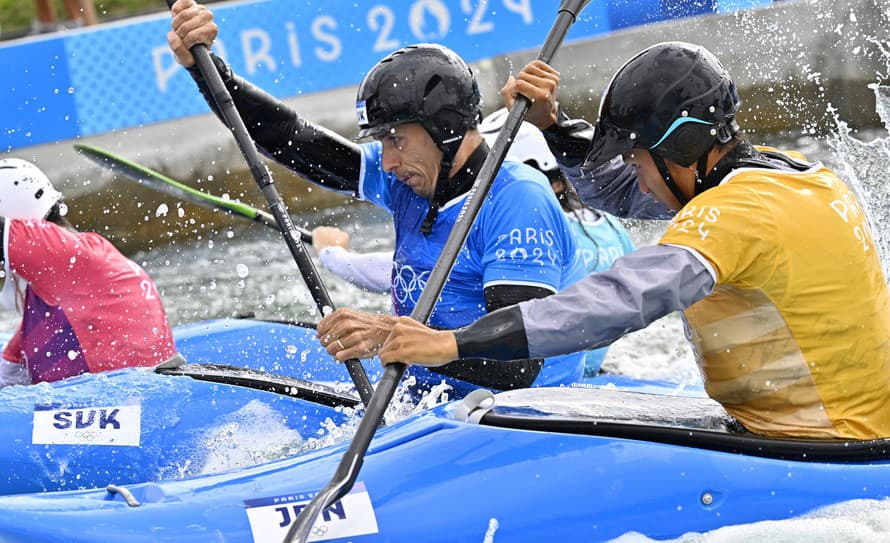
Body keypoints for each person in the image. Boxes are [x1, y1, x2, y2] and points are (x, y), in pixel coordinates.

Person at [379, 41, 890, 440]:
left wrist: (451, 343)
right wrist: (553, 126)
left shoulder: (737, 215)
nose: (636, 179)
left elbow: (618, 301)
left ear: (681, 146)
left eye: (637, 159)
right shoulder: (788, 176)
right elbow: (622, 192)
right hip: (844, 431)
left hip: (824, 443)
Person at [167, 0, 587, 396]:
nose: (385, 161)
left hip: (522, 414)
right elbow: (291, 137)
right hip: (431, 393)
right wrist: (205, 69)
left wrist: (393, 336)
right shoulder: (411, 179)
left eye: (396, 140)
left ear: (444, 130)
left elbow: (519, 365)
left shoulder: (517, 200)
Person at [0, 159, 177, 387]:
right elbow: (8, 374)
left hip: (131, 400)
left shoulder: (65, 252)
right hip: (124, 395)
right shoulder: (59, 286)